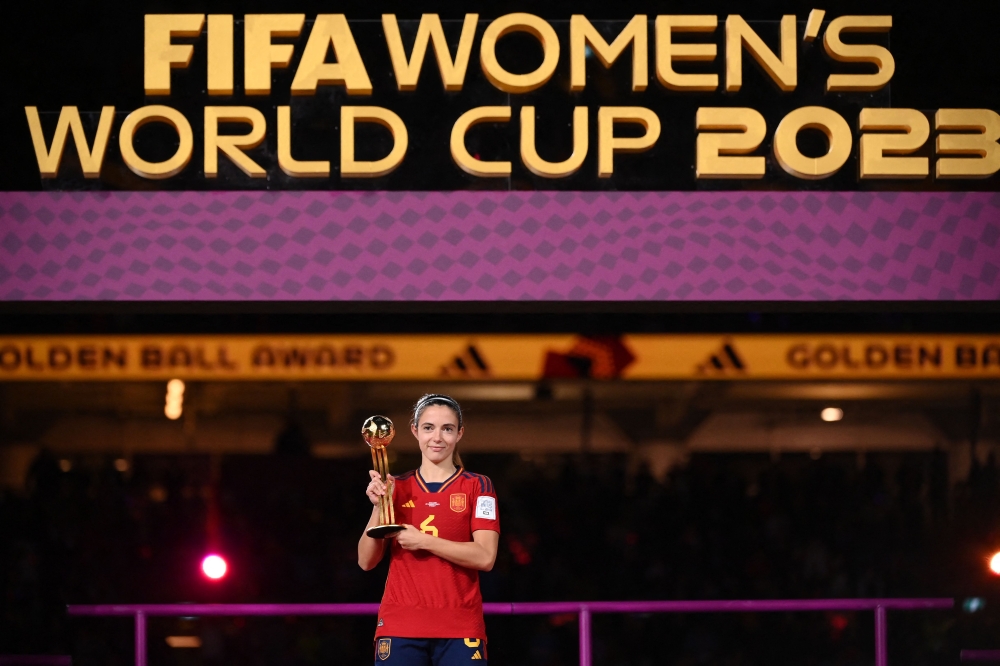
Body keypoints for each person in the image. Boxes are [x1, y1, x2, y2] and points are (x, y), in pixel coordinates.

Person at [359, 394, 500, 666]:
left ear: (459, 433)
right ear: (415, 430)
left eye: (447, 428)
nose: (437, 437)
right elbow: (366, 561)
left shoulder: (479, 486)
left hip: (460, 627)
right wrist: (379, 506)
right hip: (400, 626)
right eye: (428, 428)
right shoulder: (395, 486)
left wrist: (423, 540)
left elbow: (485, 557)